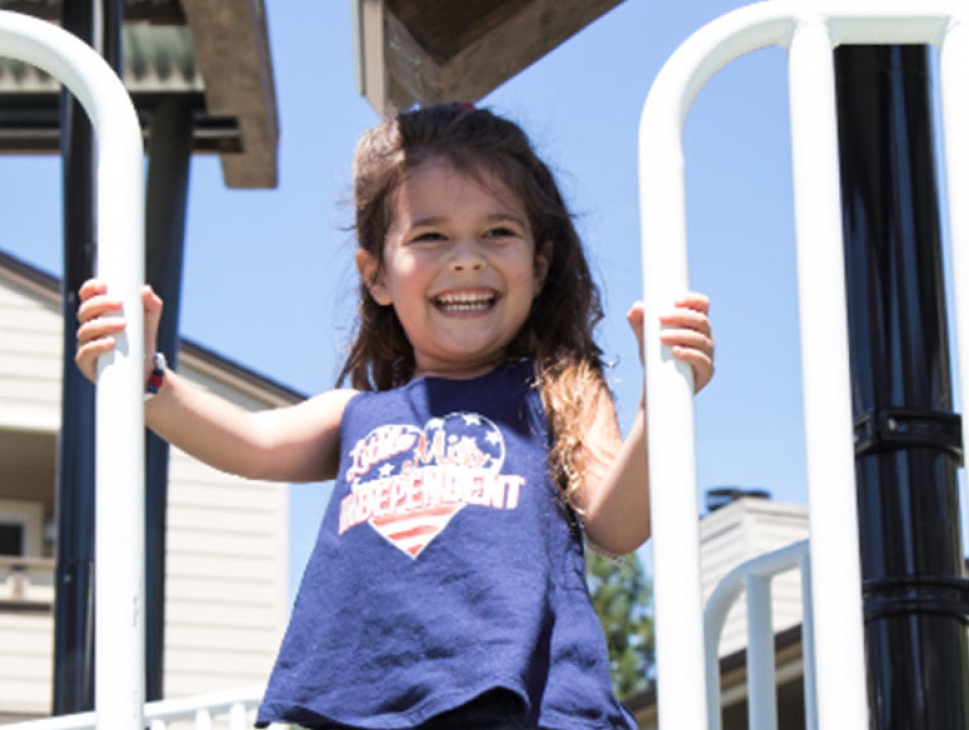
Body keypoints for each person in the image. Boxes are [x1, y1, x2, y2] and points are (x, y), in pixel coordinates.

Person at [75, 103, 714, 730]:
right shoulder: (358, 416)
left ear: (540, 266)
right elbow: (250, 441)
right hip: (361, 709)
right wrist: (147, 378)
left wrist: (662, 403)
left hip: (525, 704)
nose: (466, 258)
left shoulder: (556, 391)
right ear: (377, 275)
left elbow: (618, 523)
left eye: (498, 232)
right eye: (430, 236)